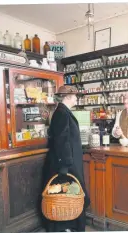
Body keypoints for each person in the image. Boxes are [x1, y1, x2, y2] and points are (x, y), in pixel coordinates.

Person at [42, 85, 90, 232]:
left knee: (71, 193)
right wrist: (66, 164)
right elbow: (62, 140)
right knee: (67, 194)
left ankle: (70, 226)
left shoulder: (63, 112)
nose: (77, 98)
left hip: (69, 161)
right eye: (75, 96)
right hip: (66, 163)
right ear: (68, 97)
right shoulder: (62, 113)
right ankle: (65, 227)